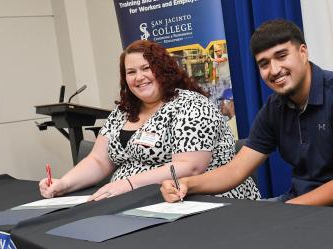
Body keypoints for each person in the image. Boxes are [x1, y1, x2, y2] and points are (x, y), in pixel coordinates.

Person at [161, 19, 333, 211]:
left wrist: (285, 212)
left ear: (303, 52)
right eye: (264, 64)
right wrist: (186, 184)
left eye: (282, 56)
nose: (274, 70)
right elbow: (236, 170)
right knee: (234, 230)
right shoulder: (275, 107)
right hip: (299, 204)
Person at [39, 40, 260, 201]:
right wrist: (64, 183)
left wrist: (127, 184)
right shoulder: (123, 111)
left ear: (163, 69)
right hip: (134, 200)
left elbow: (189, 167)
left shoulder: (192, 105)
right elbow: (98, 160)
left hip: (203, 201)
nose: (139, 77)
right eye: (131, 72)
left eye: (146, 68)